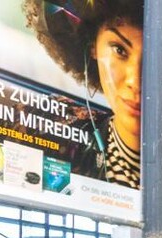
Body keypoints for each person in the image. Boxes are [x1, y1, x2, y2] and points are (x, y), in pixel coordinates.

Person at [24, 0, 143, 189]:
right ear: (93, 47)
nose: (135, 82)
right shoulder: (51, 128)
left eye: (154, 59)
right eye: (119, 50)